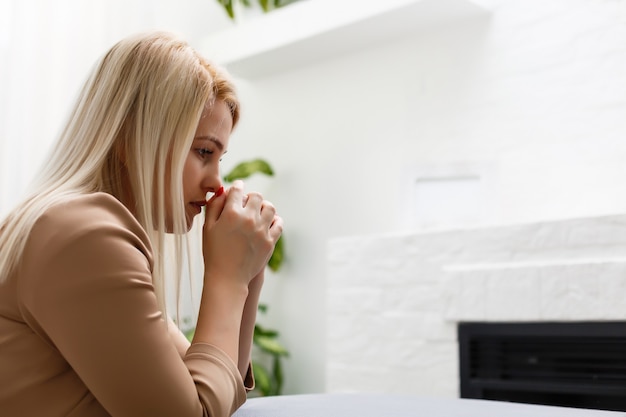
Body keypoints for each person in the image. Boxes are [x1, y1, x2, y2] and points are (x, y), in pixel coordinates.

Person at [0, 31, 283, 416]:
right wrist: (228, 278)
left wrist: (248, 275)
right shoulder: (84, 236)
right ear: (131, 137)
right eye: (204, 151)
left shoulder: (79, 228)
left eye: (219, 158)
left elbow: (211, 389)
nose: (216, 181)